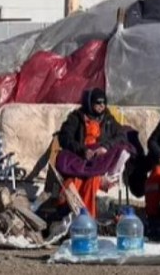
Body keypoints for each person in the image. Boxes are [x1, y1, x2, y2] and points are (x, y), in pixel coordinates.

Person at [56, 88, 133, 218]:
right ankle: (72, 213)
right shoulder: (76, 117)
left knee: (93, 180)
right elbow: (64, 137)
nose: (101, 106)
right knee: (75, 181)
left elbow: (121, 135)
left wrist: (106, 146)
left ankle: (86, 217)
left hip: (99, 157)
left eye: (104, 102)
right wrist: (82, 150)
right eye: (98, 103)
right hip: (81, 155)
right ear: (90, 103)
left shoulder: (108, 119)